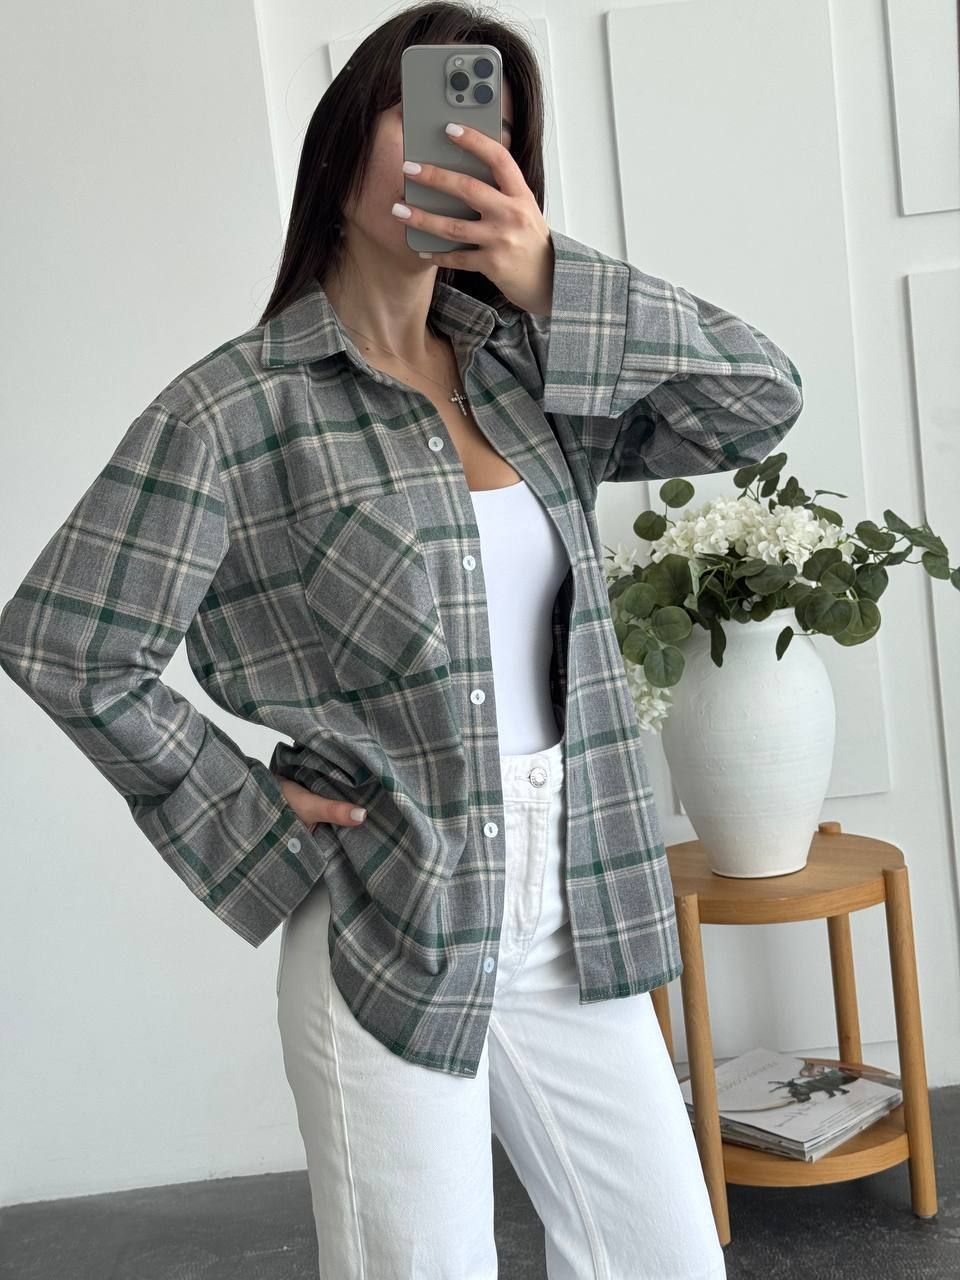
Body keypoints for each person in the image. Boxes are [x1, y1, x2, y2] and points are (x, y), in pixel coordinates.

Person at [0, 3, 805, 1276]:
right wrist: (244, 801)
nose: (459, 151)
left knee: (667, 1258)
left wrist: (554, 277)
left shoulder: (528, 373)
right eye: (425, 115)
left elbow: (759, 401)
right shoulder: (237, 409)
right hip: (394, 904)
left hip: (573, 902)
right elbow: (65, 639)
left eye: (491, 133)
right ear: (344, 147)